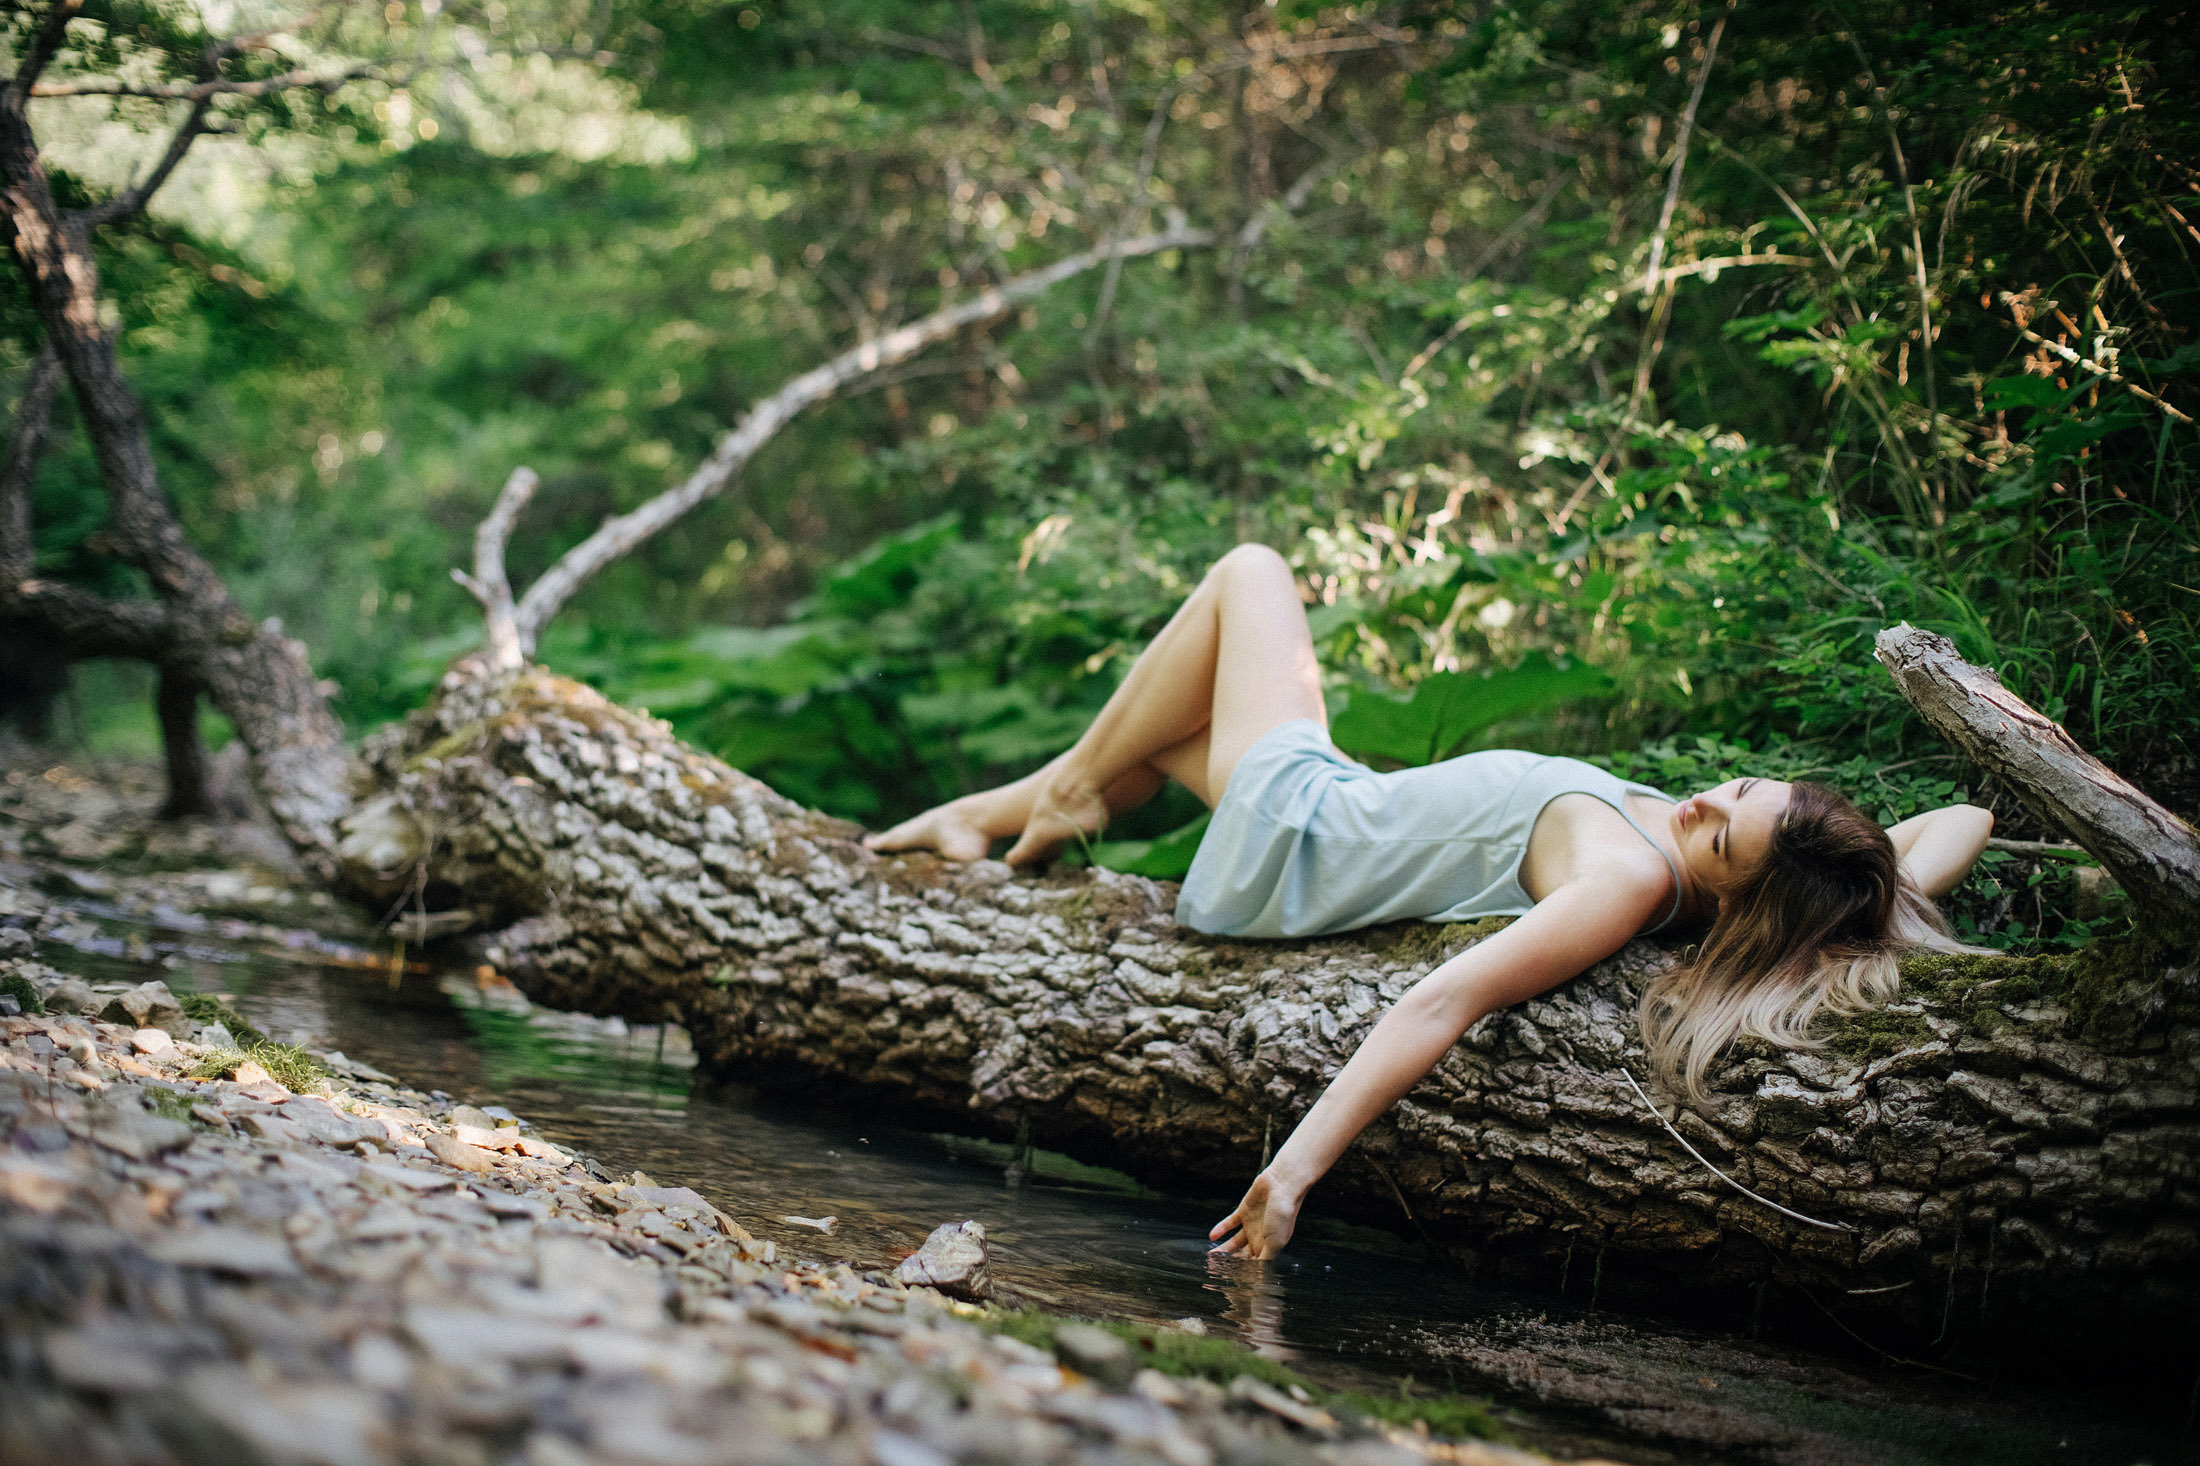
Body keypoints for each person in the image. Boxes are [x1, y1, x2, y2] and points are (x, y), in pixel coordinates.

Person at [865, 544, 1994, 1259]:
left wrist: (1292, 1171)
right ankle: (993, 813)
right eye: (1734, 788)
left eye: (1719, 826)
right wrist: (1878, 900)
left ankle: (1058, 792)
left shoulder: (1622, 880)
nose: (1700, 796)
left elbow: (1440, 1001)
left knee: (1251, 573)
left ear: (1742, 895)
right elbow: (1958, 822)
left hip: (1296, 838)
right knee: (1165, 739)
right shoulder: (1770, 873)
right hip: (1339, 803)